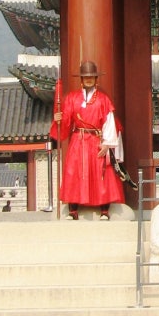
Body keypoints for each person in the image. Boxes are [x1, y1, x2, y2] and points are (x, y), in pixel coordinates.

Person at [51, 60, 125, 221]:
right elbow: (66, 122)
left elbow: (109, 121)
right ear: (81, 80)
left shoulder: (103, 100)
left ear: (96, 79)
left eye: (92, 76)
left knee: (102, 173)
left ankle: (104, 209)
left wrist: (107, 143)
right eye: (86, 77)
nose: (89, 79)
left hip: (96, 139)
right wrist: (59, 119)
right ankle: (73, 209)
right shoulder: (72, 98)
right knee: (74, 171)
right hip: (78, 139)